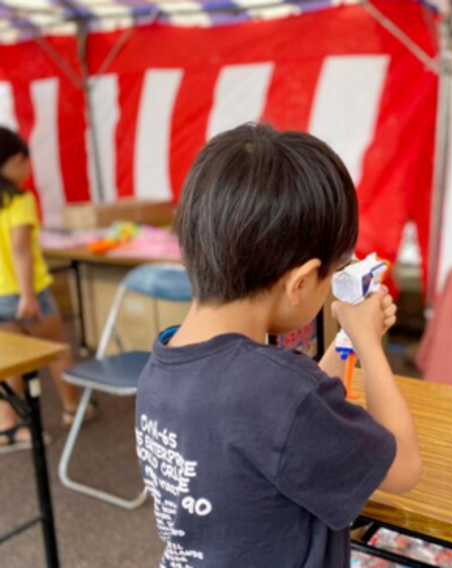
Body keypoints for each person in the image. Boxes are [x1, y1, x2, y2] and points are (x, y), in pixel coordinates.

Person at [135, 123, 422, 567]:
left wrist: (347, 338)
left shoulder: (162, 366)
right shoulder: (279, 393)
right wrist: (369, 345)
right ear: (301, 282)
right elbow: (403, 468)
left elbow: (290, 422)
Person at [0, 127, 96, 454]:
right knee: (57, 350)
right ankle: (72, 408)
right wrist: (28, 295)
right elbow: (20, 250)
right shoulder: (20, 201)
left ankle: (8, 426)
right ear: (16, 159)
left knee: (10, 363)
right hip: (27, 293)